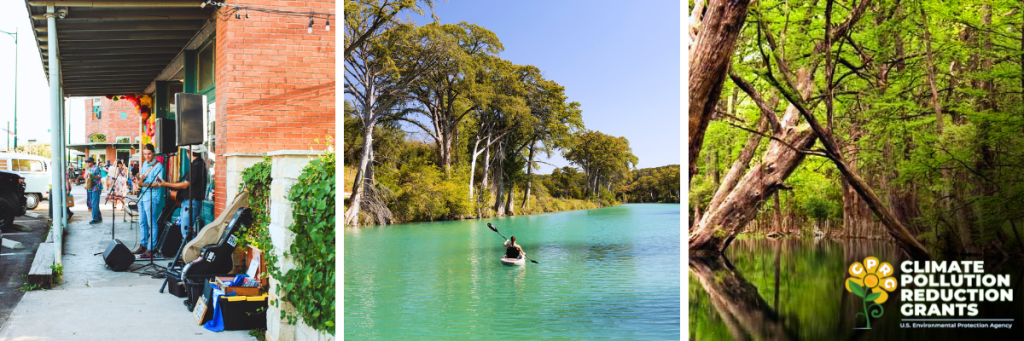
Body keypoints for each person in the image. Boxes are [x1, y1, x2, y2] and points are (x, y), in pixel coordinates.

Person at [156, 145, 208, 240]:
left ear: (188, 152)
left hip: (191, 202)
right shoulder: (197, 164)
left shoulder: (197, 165)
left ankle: (189, 254)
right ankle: (187, 253)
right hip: (190, 202)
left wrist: (166, 184)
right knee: (186, 232)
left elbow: (185, 185)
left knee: (186, 232)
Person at [134, 144, 165, 257]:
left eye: (149, 154)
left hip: (151, 197)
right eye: (145, 154)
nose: (147, 156)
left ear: (153, 153)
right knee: (142, 222)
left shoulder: (158, 166)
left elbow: (158, 183)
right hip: (142, 196)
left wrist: (143, 184)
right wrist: (138, 181)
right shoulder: (144, 164)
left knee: (151, 223)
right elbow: (142, 178)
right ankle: (143, 245)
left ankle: (151, 248)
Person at [83, 157, 103, 224]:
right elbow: (86, 177)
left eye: (88, 162)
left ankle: (95, 218)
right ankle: (99, 217)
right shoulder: (89, 169)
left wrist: (92, 176)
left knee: (94, 203)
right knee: (94, 203)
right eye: (87, 162)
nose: (87, 163)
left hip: (96, 188)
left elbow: (99, 178)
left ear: (92, 162)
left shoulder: (96, 168)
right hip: (90, 188)